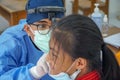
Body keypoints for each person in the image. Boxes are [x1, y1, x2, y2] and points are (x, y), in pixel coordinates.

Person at [0, 0, 65, 80]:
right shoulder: (9, 43)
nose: (50, 32)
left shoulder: (67, 35)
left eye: (56, 24)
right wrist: (33, 73)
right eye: (42, 26)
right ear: (27, 29)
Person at [46, 14, 120, 80]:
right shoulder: (99, 72)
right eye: (49, 50)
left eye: (54, 55)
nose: (47, 59)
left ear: (79, 63)